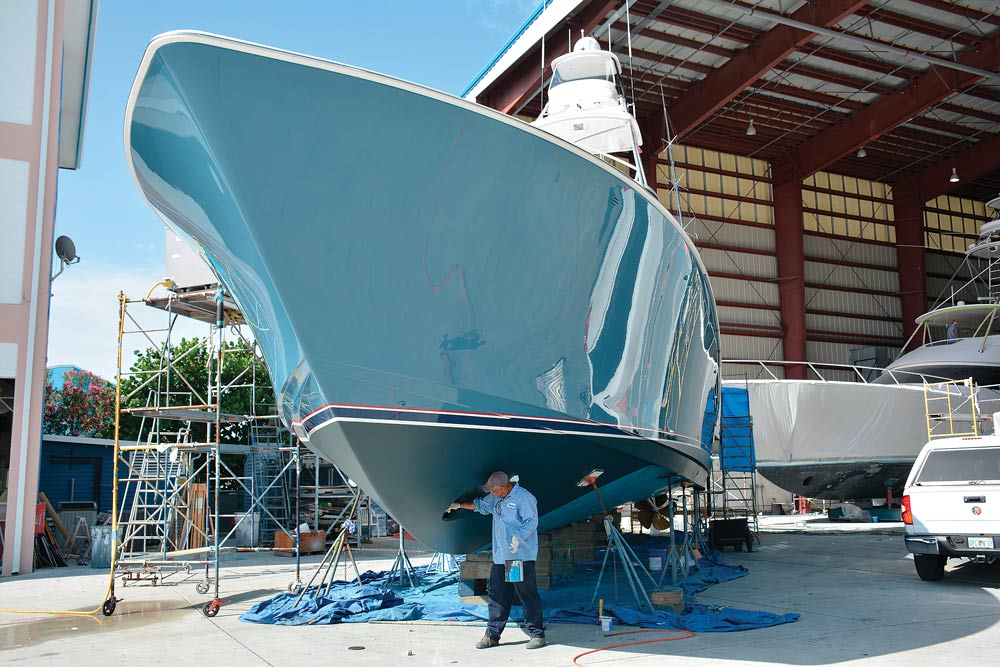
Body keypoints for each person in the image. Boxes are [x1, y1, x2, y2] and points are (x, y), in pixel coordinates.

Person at [452, 471, 545, 649]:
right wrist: (459, 505)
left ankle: (537, 634)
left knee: (526, 594)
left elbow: (531, 522)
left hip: (518, 559)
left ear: (504, 487)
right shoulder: (497, 498)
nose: (492, 494)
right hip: (501, 558)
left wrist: (519, 537)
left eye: (494, 490)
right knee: (497, 596)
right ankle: (492, 635)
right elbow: (481, 505)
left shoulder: (524, 498)